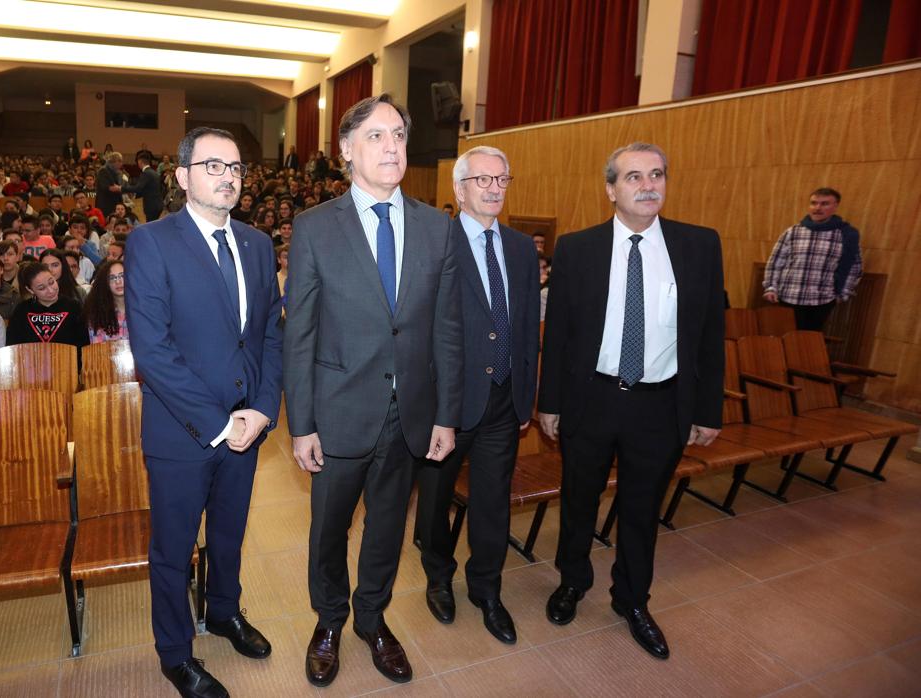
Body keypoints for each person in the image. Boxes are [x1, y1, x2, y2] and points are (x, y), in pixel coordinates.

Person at [284, 94, 462, 688]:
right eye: (378, 136)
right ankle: (329, 621)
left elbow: (445, 329)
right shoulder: (314, 227)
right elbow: (300, 333)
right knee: (329, 529)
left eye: (399, 137)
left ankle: (371, 619)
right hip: (338, 411)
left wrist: (445, 414)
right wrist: (301, 423)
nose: (393, 147)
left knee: (387, 527)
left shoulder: (439, 227)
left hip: (409, 412)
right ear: (345, 151)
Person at [537, 142, 723, 660]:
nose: (649, 185)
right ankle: (572, 581)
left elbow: (710, 334)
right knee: (578, 499)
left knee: (642, 511)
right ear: (611, 189)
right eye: (635, 177)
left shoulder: (699, 245)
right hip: (591, 399)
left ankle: (632, 599)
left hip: (660, 405)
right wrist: (549, 403)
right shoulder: (579, 248)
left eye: (657, 174)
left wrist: (708, 410)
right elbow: (561, 337)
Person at [125, 127, 283, 698]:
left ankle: (223, 612)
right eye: (214, 166)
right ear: (183, 176)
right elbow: (153, 351)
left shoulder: (259, 245)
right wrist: (221, 424)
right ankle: (174, 652)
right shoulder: (152, 241)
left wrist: (262, 410)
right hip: (183, 432)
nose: (228, 177)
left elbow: (267, 337)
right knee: (173, 548)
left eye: (236, 167)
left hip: (248, 425)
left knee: (231, 534)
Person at [413, 146, 539, 644]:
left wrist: (526, 393)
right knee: (435, 501)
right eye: (482, 179)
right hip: (447, 404)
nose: (493, 188)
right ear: (459, 189)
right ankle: (438, 577)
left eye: (501, 179)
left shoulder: (521, 247)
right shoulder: (435, 242)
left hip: (504, 401)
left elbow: (527, 324)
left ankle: (486, 589)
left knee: (492, 503)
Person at [762, 187, 862, 331]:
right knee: (785, 339)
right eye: (814, 203)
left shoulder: (846, 235)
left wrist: (843, 293)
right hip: (788, 296)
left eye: (824, 204)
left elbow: (854, 267)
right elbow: (776, 262)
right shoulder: (793, 232)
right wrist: (771, 287)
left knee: (808, 343)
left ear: (835, 206)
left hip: (822, 299)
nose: (817, 208)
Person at [5, 262, 88, 347]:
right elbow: (13, 346)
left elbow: (84, 343)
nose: (50, 290)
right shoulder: (22, 310)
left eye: (51, 282)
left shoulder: (74, 307)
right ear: (30, 290)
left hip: (67, 358)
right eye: (41, 288)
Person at [83, 258, 127, 343]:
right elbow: (97, 349)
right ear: (105, 282)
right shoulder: (97, 314)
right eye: (112, 278)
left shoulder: (144, 310)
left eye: (122, 276)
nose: (118, 281)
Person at [123, 151, 165, 223]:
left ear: (140, 162)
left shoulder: (146, 173)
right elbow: (147, 189)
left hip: (151, 206)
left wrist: (121, 188)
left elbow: (138, 188)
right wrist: (135, 196)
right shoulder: (154, 172)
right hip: (158, 204)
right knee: (153, 225)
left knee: (150, 226)